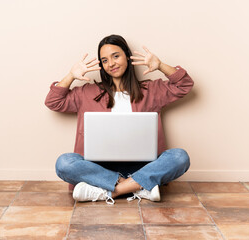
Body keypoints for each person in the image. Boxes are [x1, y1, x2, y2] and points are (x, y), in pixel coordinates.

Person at [45, 34, 194, 205]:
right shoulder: (87, 93)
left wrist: (160, 65)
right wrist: (71, 75)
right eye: (105, 60)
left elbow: (184, 85)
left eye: (116, 56)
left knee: (180, 157)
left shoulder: (151, 90)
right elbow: (53, 102)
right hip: (99, 168)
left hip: (142, 166)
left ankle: (109, 191)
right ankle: (139, 187)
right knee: (64, 163)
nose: (111, 63)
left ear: (127, 56)